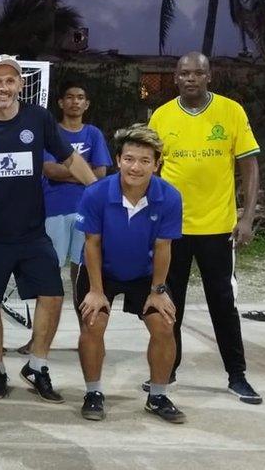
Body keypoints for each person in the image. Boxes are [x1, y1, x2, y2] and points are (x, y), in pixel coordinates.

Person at [0, 54, 97, 403]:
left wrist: (99, 193)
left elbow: (69, 159)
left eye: (10, 81)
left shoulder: (38, 118)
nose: (3, 87)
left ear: (20, 85)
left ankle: (37, 365)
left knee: (53, 295)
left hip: (31, 232)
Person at [148, 51, 263, 405]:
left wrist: (246, 217)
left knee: (222, 302)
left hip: (217, 227)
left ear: (209, 76)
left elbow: (249, 166)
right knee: (170, 303)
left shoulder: (230, 111)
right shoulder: (162, 116)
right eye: (184, 73)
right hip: (172, 229)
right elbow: (149, 170)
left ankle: (237, 374)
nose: (191, 79)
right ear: (176, 77)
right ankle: (168, 369)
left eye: (198, 73)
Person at [75, 124, 186, 423]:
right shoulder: (96, 194)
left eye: (144, 160)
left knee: (165, 325)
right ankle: (94, 393)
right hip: (102, 272)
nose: (136, 167)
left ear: (157, 163)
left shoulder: (170, 197)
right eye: (129, 159)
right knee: (93, 323)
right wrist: (96, 290)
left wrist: (158, 291)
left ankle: (158, 396)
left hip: (145, 275)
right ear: (118, 159)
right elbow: (92, 244)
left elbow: (164, 247)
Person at [18, 82, 111, 355]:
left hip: (86, 212)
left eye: (80, 97)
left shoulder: (93, 134)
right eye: (69, 97)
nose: (74, 102)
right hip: (53, 210)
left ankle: (88, 337)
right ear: (60, 103)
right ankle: (38, 340)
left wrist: (68, 171)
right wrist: (82, 173)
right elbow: (49, 170)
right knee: (48, 277)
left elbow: (102, 173)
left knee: (83, 275)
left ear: (87, 103)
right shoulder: (51, 131)